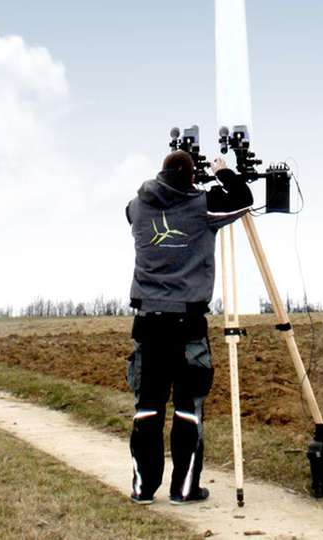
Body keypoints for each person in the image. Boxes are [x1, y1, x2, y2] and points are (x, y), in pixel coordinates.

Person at [124, 150, 253, 505]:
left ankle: (143, 488)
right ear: (192, 176)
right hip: (186, 325)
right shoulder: (202, 206)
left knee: (147, 407)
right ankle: (184, 490)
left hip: (147, 323)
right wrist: (224, 173)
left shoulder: (137, 206)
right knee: (187, 408)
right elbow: (243, 201)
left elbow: (131, 210)